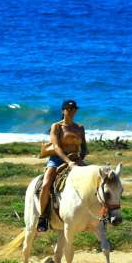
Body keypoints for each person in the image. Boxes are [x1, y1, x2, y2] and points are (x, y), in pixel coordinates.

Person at [37, 99, 87, 231]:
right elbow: (56, 147)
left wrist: (79, 159)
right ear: (63, 111)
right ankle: (43, 217)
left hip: (75, 159)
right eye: (68, 109)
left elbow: (84, 148)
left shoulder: (80, 128)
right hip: (57, 159)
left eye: (73, 109)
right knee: (46, 184)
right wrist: (68, 161)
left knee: (93, 181)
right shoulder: (57, 126)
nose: (71, 111)